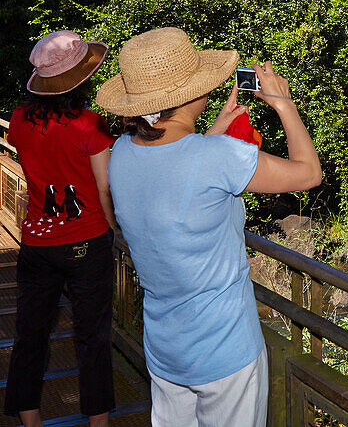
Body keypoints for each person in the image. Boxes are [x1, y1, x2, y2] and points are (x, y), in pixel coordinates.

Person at [96, 27, 322, 427]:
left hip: (166, 351)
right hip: (226, 352)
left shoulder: (121, 154)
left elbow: (178, 169)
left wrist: (214, 130)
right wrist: (284, 104)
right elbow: (308, 174)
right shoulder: (217, 157)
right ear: (190, 95)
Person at [4, 31, 117, 427]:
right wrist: (113, 231)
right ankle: (98, 423)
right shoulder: (91, 125)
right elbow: (103, 188)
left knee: (30, 333)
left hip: (37, 241)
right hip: (87, 240)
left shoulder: (17, 119)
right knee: (93, 337)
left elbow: (32, 163)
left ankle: (30, 419)